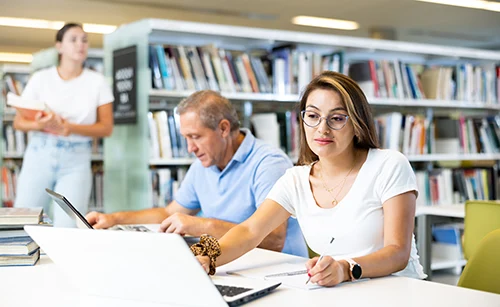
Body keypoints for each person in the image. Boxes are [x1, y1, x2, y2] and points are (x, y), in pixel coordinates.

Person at [194, 71, 426, 286]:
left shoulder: (389, 165)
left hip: (399, 291)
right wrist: (208, 258)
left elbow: (398, 252)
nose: (322, 128)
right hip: (341, 293)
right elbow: (250, 231)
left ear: (356, 124)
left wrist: (345, 269)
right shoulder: (296, 180)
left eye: (336, 118)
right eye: (313, 116)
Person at [86, 90, 308, 257]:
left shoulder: (268, 163)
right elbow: (168, 213)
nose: (190, 148)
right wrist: (113, 218)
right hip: (230, 263)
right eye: (186, 138)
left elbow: (274, 239)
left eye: (195, 137)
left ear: (223, 129)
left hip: (277, 273)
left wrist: (201, 225)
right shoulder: (204, 164)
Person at [13, 23, 114, 227]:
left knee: (69, 226)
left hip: (76, 158)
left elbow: (106, 127)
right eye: (74, 39)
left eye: (84, 40)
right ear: (59, 46)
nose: (80, 44)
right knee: (24, 220)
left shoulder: (97, 82)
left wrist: (70, 128)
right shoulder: (41, 78)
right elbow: (18, 122)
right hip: (40, 152)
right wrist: (40, 124)